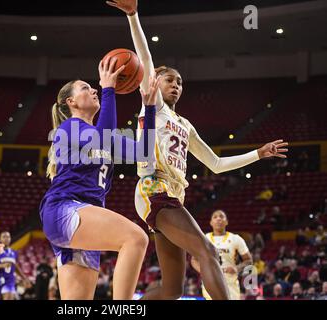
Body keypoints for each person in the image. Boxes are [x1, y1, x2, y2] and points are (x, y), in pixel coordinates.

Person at [107, 0, 289, 300]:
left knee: (172, 290)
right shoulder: (155, 106)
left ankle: (125, 306)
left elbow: (215, 163)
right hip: (155, 189)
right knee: (208, 251)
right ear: (155, 83)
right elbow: (145, 57)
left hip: (174, 194)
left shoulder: (185, 125)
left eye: (180, 82)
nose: (176, 85)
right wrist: (133, 16)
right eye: (169, 80)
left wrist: (257, 154)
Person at [39, 58, 159, 299]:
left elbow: (145, 153)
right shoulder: (68, 128)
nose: (93, 89)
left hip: (85, 217)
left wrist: (149, 109)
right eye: (85, 88)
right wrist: (108, 89)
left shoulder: (104, 136)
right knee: (136, 238)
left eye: (93, 87)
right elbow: (105, 135)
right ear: (70, 102)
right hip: (65, 208)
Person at [191, 210, 253, 300]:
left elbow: (248, 260)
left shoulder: (236, 239)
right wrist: (203, 270)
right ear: (211, 222)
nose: (218, 219)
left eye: (221, 216)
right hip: (211, 281)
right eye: (215, 217)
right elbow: (194, 260)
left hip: (230, 283)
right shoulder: (205, 239)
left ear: (226, 221)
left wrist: (237, 268)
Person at [0, 231, 31, 300]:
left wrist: (24, 278)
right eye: (4, 237)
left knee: (9, 297)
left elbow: (15, 267)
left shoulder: (14, 252)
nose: (6, 238)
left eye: (8, 237)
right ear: (0, 239)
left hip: (9, 279)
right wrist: (2, 265)